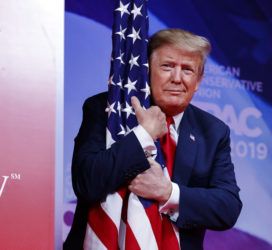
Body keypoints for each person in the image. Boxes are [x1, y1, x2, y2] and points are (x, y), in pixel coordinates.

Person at [64, 28, 242, 250]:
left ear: (198, 80)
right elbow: (86, 182)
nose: (177, 78)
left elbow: (228, 207)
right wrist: (143, 135)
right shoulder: (107, 110)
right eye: (167, 66)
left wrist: (167, 192)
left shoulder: (213, 131)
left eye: (187, 70)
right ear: (146, 70)